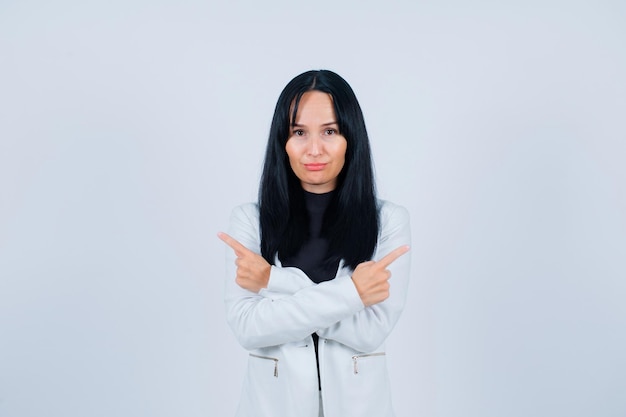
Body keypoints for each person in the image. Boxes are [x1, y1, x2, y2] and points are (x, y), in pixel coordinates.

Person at [218, 69, 411, 417]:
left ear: (350, 137)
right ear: (283, 141)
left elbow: (370, 332)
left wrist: (272, 282)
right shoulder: (250, 221)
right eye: (299, 132)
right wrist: (352, 294)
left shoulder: (388, 222)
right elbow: (249, 327)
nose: (314, 149)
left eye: (330, 131)